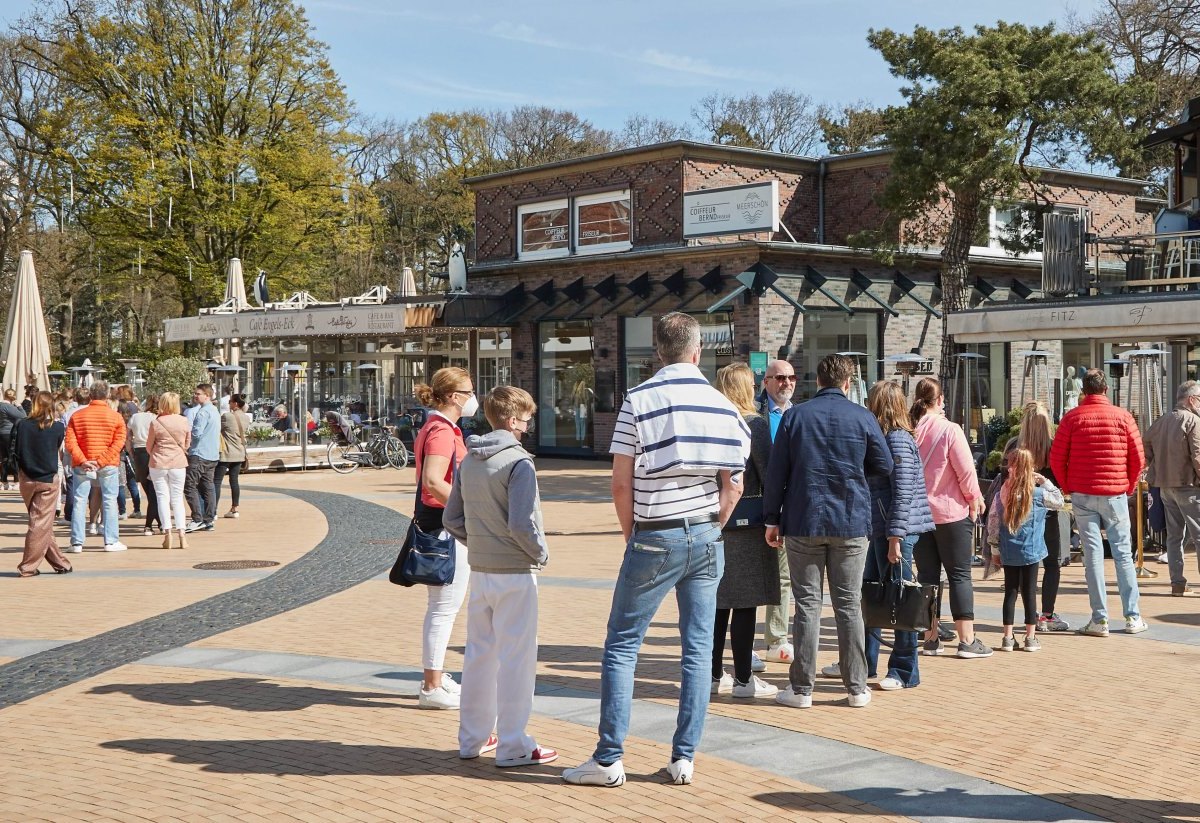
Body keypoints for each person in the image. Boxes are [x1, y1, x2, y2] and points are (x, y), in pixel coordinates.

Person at [562, 313, 749, 788]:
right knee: (697, 649)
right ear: (697, 350)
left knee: (623, 646)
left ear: (657, 351)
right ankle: (683, 757)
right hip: (706, 534)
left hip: (655, 531)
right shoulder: (723, 406)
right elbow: (734, 485)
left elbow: (621, 481)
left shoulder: (640, 399)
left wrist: (633, 533)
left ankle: (608, 760)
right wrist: (714, 525)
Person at [764, 354, 893, 710]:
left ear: (817, 381)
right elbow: (885, 464)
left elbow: (777, 473)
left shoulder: (795, 416)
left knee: (807, 604)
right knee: (849, 604)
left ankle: (802, 689)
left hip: (803, 519)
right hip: (851, 520)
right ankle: (856, 688)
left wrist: (771, 519)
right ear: (848, 383)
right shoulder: (862, 416)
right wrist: (854, 477)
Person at [443, 386, 557, 767]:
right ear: (511, 421)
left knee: (479, 656)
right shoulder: (519, 463)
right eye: (525, 420)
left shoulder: (470, 459)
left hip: (482, 569)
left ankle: (472, 739)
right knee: (517, 660)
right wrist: (540, 553)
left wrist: (477, 542)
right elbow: (523, 524)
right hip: (515, 570)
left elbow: (451, 518)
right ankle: (513, 743)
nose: (527, 427)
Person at [1049, 368, 1148, 636]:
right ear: (1106, 390)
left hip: (1082, 493)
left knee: (1092, 556)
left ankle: (1099, 619)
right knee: (1123, 554)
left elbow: (1056, 458)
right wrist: (1127, 485)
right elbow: (1138, 458)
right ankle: (1132, 617)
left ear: (1084, 391)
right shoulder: (1123, 417)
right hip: (1115, 493)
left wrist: (1068, 486)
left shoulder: (1072, 418)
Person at [858, 380, 934, 690]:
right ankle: (865, 664)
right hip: (883, 527)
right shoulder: (889, 438)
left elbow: (902, 493)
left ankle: (904, 670)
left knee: (901, 599)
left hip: (894, 531)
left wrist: (894, 538)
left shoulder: (898, 440)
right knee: (873, 595)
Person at [711, 362, 779, 699]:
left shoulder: (709, 423)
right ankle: (742, 679)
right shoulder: (754, 425)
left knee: (717, 602)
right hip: (748, 524)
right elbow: (769, 474)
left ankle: (712, 674)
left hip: (712, 521)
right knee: (746, 603)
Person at [910, 377, 990, 658]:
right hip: (951, 513)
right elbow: (966, 471)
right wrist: (975, 499)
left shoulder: (910, 430)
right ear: (941, 400)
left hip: (918, 514)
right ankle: (967, 640)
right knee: (959, 575)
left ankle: (931, 637)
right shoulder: (950, 430)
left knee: (927, 577)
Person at [412, 367, 475, 710]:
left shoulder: (439, 427)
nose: (472, 398)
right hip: (445, 527)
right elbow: (433, 481)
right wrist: (467, 508)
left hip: (441, 523)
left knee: (443, 606)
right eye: (468, 392)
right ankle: (431, 685)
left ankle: (434, 677)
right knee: (443, 608)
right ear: (453, 396)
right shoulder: (440, 431)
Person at [992, 403, 1072, 631]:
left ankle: (1025, 618)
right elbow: (1061, 480)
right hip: (1046, 512)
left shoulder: (1014, 446)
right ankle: (1047, 614)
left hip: (1016, 515)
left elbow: (1002, 478)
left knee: (1022, 571)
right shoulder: (1054, 447)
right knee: (1052, 564)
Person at [987, 448, 1065, 652]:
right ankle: (1030, 638)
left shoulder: (1002, 492)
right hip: (1032, 550)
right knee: (1029, 593)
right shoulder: (1038, 494)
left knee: (1010, 592)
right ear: (1031, 469)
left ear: (1010, 467)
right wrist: (1045, 482)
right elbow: (1059, 501)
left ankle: (1007, 637)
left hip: (1008, 551)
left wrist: (995, 550)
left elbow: (994, 523)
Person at [1142, 380, 1200, 598]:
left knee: (1174, 537)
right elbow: (1198, 456)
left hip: (1165, 486)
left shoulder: (1162, 420)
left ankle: (1177, 583)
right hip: (1189, 487)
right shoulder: (1193, 420)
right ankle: (1180, 583)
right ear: (1191, 399)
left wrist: (1153, 463)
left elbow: (1145, 443)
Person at [756, 358, 796, 667]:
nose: (786, 383)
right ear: (766, 381)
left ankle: (776, 638)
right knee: (744, 573)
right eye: (779, 377)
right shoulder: (753, 414)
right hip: (753, 505)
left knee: (783, 576)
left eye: (791, 377)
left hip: (787, 507)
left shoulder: (799, 415)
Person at [64, 380, 128, 553]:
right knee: (109, 500)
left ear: (90, 395)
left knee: (79, 500)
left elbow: (70, 442)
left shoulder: (76, 416)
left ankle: (77, 542)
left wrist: (83, 459)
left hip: (83, 464)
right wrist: (102, 460)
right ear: (107, 395)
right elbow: (119, 442)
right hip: (107, 464)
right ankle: (111, 540)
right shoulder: (116, 417)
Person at [14, 391, 71, 577]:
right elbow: (56, 448)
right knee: (39, 522)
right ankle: (28, 567)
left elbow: (17, 450)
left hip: (27, 478)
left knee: (41, 521)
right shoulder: (57, 428)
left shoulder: (22, 425)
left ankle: (60, 562)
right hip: (47, 478)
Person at [147, 391, 192, 550]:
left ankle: (167, 534)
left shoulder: (156, 422)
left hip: (159, 462)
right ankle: (182, 534)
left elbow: (149, 445)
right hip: (178, 462)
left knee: (162, 498)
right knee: (177, 498)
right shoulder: (184, 421)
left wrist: (156, 453)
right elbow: (187, 443)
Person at [183, 384, 220, 532]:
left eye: (198, 393)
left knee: (190, 485)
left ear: (207, 395)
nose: (195, 396)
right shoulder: (215, 411)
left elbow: (196, 434)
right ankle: (209, 519)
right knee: (208, 486)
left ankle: (197, 518)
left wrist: (187, 436)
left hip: (199, 453)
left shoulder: (203, 413)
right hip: (212, 454)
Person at [127, 394, 162, 536]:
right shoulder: (157, 418)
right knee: (154, 492)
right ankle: (150, 524)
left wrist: (130, 451)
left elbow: (127, 435)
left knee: (148, 489)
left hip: (139, 452)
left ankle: (158, 522)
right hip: (153, 451)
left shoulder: (136, 417)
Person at [214, 394, 250, 519]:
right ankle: (235, 508)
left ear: (235, 403)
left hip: (226, 452)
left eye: (230, 402)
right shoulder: (246, 417)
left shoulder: (227, 416)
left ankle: (213, 510)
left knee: (217, 481)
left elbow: (218, 429)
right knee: (234, 481)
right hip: (239, 453)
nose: (229, 404)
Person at [0, 387, 27, 491]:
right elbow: (23, 416)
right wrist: (19, 406)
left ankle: (4, 481)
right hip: (9, 434)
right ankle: (16, 481)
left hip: (1, 433)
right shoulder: (8, 407)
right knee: (13, 458)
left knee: (4, 458)